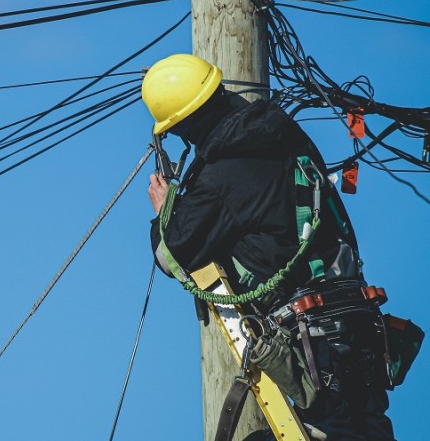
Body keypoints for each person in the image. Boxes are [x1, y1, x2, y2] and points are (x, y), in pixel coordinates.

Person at [142, 53, 395, 440]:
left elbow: (175, 253)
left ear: (181, 127)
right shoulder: (286, 135)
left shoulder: (221, 175)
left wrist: (165, 212)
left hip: (310, 335)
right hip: (358, 317)